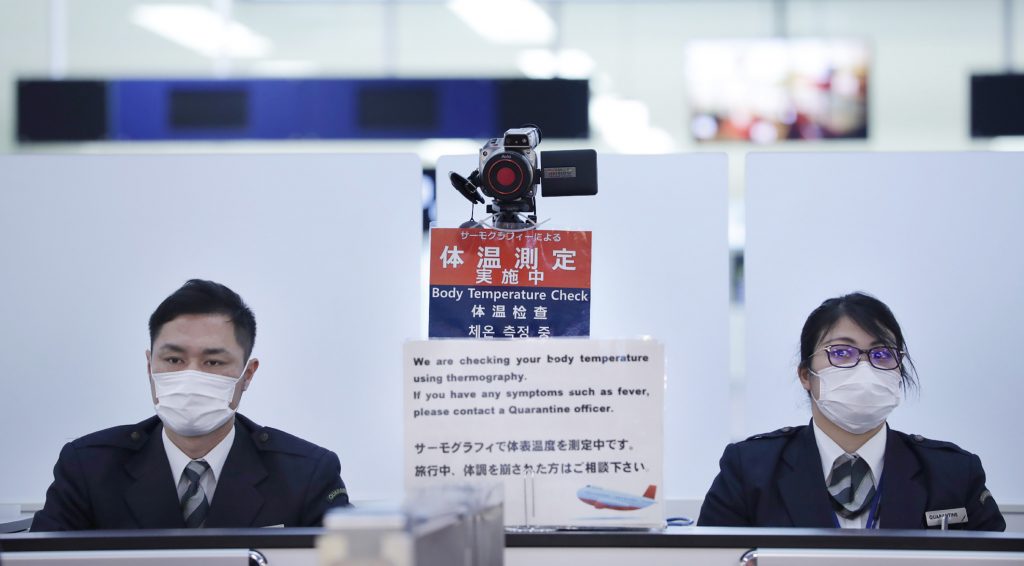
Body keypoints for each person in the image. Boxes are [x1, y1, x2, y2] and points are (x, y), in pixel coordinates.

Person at [32, 279, 350, 530]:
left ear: (247, 374)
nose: (190, 376)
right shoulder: (89, 468)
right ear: (149, 366)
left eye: (213, 362)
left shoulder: (306, 473)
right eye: (173, 359)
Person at [698, 292, 1005, 530]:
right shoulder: (749, 470)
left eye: (882, 354)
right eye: (841, 352)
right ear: (805, 375)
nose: (864, 367)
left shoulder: (953, 474)